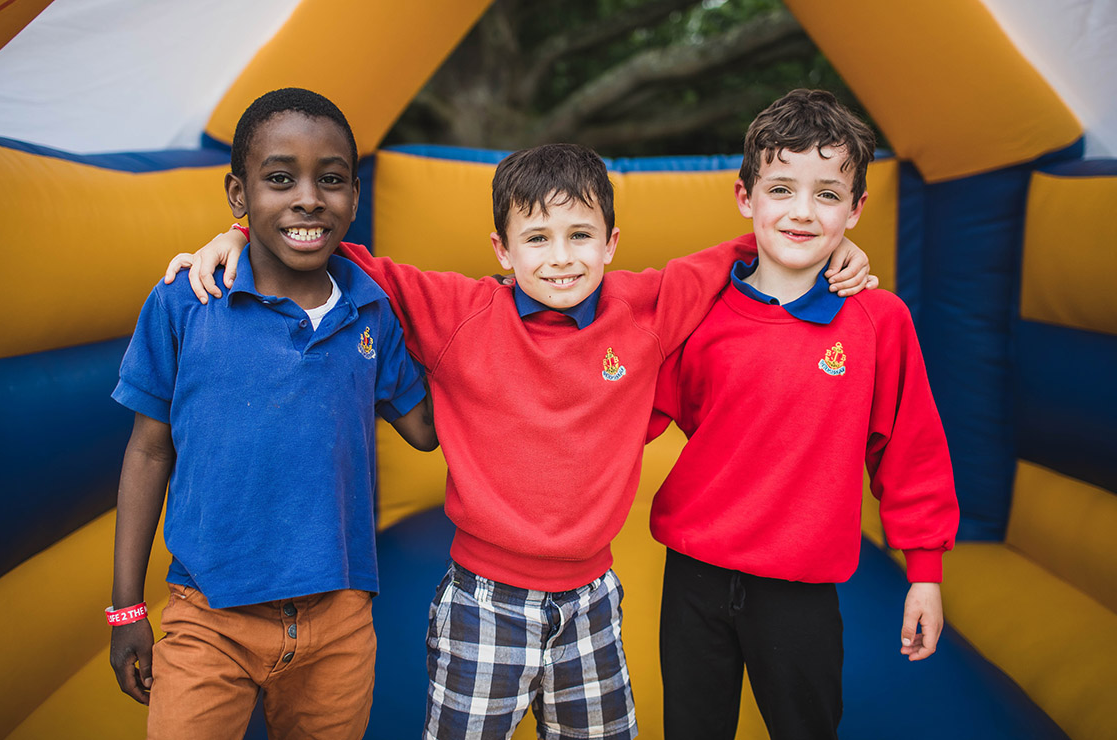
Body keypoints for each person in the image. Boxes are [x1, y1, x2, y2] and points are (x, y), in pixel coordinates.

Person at [166, 141, 875, 740]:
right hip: (484, 602)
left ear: (611, 244)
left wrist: (838, 242)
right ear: (502, 250)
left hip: (591, 603)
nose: (560, 258)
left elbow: (754, 245)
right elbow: (339, 257)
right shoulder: (462, 313)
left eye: (579, 236)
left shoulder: (646, 308)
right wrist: (238, 234)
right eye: (536, 239)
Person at [108, 88, 437, 740]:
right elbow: (148, 451)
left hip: (338, 620)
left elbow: (426, 431)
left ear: (355, 195)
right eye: (280, 178)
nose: (310, 197)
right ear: (239, 195)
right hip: (209, 620)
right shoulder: (187, 299)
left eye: (333, 179)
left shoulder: (371, 311)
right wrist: (125, 610)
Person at [646, 89, 959, 740]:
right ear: (746, 197)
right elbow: (625, 417)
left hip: (800, 587)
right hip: (694, 579)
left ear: (857, 208)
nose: (801, 211)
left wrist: (924, 573)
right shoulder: (698, 311)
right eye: (781, 188)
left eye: (826, 194)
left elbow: (910, 450)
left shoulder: (879, 320)